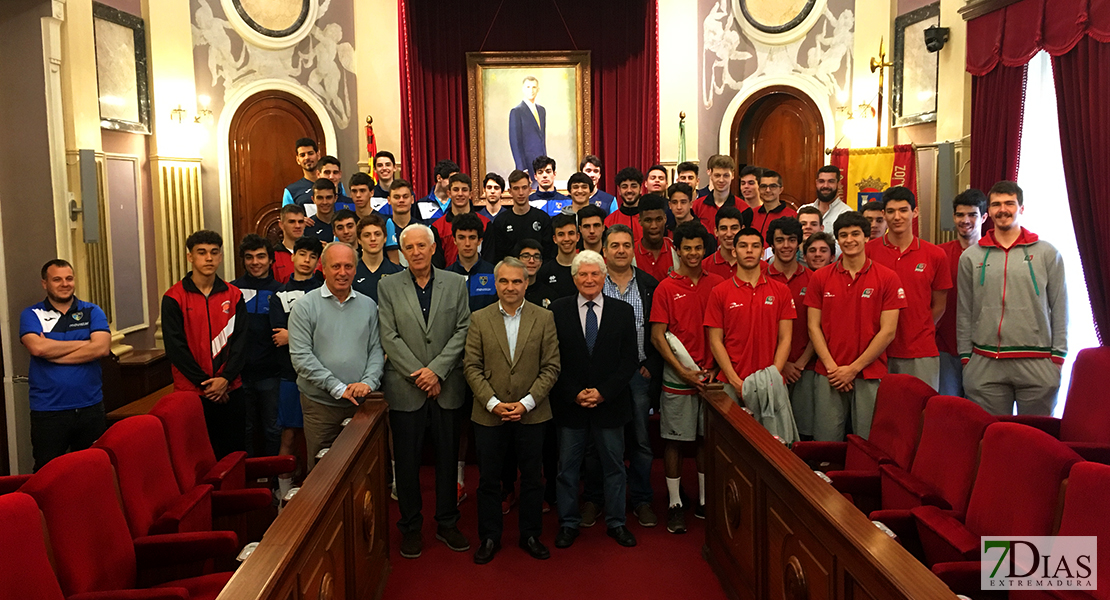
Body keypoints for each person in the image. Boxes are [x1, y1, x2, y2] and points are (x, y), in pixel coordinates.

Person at [378, 224, 473, 558]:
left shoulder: (455, 283)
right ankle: (411, 526)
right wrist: (420, 374)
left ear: (433, 249)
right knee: (406, 462)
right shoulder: (387, 286)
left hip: (446, 385)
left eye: (422, 246)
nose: (416, 252)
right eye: (409, 247)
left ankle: (447, 522)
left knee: (448, 458)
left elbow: (463, 328)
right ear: (402, 252)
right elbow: (388, 334)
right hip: (406, 387)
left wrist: (437, 371)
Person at [464, 257, 561, 564]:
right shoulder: (479, 319)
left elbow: (551, 366)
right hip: (488, 413)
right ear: (495, 283)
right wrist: (493, 403)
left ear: (526, 283)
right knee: (489, 480)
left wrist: (525, 403)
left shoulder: (544, 317)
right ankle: (490, 537)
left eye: (516, 281)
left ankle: (530, 534)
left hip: (532, 412)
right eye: (504, 281)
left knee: (533, 478)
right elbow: (471, 367)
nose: (510, 287)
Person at [549, 251, 639, 549]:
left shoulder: (622, 311)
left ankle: (616, 523)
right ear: (574, 278)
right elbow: (552, 360)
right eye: (583, 274)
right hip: (570, 404)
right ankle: (568, 524)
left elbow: (628, 362)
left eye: (595, 274)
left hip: (610, 404)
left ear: (604, 277)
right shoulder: (558, 311)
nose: (589, 279)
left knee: (614, 466)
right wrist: (574, 392)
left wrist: (603, 392)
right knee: (568, 469)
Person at [958, 181, 1067, 416]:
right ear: (989, 211)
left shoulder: (1047, 253)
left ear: (1022, 208)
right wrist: (967, 358)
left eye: (1009, 203)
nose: (1002, 209)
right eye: (996, 204)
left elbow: (1060, 308)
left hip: (1037, 362)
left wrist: (1057, 358)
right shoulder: (971, 256)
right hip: (985, 363)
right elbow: (964, 311)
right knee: (991, 438)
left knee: (1037, 441)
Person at [648, 221, 722, 533]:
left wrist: (716, 370)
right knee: (674, 440)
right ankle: (675, 503)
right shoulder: (666, 287)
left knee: (706, 439)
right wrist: (682, 371)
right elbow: (657, 336)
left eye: (698, 248)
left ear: (705, 250)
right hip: (678, 378)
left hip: (712, 377)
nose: (693, 253)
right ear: (677, 250)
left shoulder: (717, 284)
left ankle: (705, 500)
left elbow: (724, 333)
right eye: (686, 248)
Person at [805, 213, 905, 441]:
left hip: (869, 373)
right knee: (825, 442)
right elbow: (813, 327)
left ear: (866, 237)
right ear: (837, 241)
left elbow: (888, 331)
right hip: (828, 374)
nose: (849, 240)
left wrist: (853, 369)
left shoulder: (888, 278)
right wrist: (833, 368)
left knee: (868, 443)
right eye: (843, 235)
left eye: (855, 234)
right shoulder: (820, 278)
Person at [289, 243, 384, 471]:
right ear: (323, 268)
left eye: (348, 266)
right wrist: (337, 387)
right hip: (320, 406)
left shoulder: (369, 306)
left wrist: (368, 383)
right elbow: (301, 358)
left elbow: (377, 350)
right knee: (323, 474)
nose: (342, 272)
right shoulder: (304, 307)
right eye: (336, 266)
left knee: (364, 469)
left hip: (362, 403)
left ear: (355, 269)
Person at [162, 230, 248, 458]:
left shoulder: (235, 295)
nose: (209, 258)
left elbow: (240, 343)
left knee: (233, 456)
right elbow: (175, 348)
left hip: (231, 390)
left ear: (220, 256)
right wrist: (207, 385)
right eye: (202, 253)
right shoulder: (173, 297)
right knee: (196, 458)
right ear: (190, 257)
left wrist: (225, 379)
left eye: (214, 252)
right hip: (192, 393)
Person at [20, 259, 110, 471]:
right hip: (49, 411)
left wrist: (53, 350)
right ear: (45, 283)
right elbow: (38, 349)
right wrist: (85, 343)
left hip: (90, 407)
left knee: (94, 470)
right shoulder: (32, 314)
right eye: (57, 279)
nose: (64, 284)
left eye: (69, 278)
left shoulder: (92, 311)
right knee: (48, 474)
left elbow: (101, 349)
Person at [600, 224, 662, 530]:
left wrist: (651, 361)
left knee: (640, 441)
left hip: (639, 374)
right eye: (615, 245)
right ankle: (597, 499)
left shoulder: (650, 285)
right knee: (599, 440)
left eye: (626, 245)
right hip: (604, 377)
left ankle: (641, 499)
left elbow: (659, 330)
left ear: (633, 248)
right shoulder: (593, 283)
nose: (621, 250)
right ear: (605, 251)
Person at [866, 187, 952, 389]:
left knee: (920, 413)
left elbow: (939, 305)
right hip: (875, 351)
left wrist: (918, 329)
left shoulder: (935, 255)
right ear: (884, 214)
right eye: (891, 211)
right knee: (879, 414)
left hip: (920, 352)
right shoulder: (868, 252)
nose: (897, 217)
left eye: (903, 210)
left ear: (915, 212)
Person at [705, 228, 795, 412]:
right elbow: (715, 341)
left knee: (772, 439)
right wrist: (735, 381)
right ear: (733, 251)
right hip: (731, 383)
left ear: (762, 252)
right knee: (729, 440)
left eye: (755, 246)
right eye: (743, 246)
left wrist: (772, 377)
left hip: (771, 383)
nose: (749, 251)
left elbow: (785, 338)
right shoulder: (719, 292)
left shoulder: (781, 291)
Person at [270, 236, 325, 499]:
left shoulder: (325, 290)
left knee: (323, 437)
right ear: (292, 257)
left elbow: (328, 330)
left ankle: (320, 493)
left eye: (312, 256)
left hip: (324, 373)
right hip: (291, 374)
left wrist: (295, 334)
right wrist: (306, 334)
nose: (306, 260)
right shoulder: (278, 295)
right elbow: (278, 337)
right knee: (289, 436)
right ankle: (283, 495)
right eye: (302, 254)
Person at [764, 218, 817, 439]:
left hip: (806, 367)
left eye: (791, 240)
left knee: (804, 432)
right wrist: (782, 364)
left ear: (799, 243)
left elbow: (819, 327)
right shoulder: (761, 278)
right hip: (769, 368)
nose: (786, 245)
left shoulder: (814, 279)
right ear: (772, 245)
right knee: (772, 434)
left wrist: (801, 363)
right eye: (780, 240)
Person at [231, 234, 283, 457]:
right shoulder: (231, 291)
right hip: (239, 374)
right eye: (250, 257)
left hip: (271, 373)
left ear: (270, 260)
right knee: (244, 429)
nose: (255, 262)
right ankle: (249, 482)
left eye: (261, 257)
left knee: (273, 429)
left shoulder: (281, 291)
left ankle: (273, 481)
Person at [936, 189, 987, 396]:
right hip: (946, 347)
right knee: (947, 411)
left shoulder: (996, 254)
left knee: (980, 411)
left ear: (984, 217)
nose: (965, 220)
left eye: (972, 215)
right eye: (959, 215)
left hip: (984, 351)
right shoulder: (939, 254)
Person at [488, 170, 554, 263]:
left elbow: (548, 253)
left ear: (530, 190)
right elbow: (498, 256)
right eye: (516, 188)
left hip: (538, 272)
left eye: (524, 187)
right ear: (510, 191)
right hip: (510, 273)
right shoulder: (500, 221)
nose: (521, 193)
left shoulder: (543, 218)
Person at [432, 173, 490, 266]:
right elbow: (437, 264)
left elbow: (489, 260)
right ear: (449, 194)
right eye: (456, 190)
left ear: (471, 194)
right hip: (448, 278)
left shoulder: (486, 224)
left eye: (464, 190)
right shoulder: (437, 227)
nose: (460, 194)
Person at [447, 213, 498, 312]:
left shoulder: (493, 274)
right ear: (454, 240)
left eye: (472, 238)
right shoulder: (446, 276)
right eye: (461, 238)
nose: (467, 244)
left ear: (479, 241)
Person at [692, 155, 753, 235]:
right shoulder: (697, 206)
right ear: (711, 175)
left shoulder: (744, 209)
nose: (721, 180)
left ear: (733, 175)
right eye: (717, 175)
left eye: (726, 175)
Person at [530, 212, 580, 308]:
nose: (566, 239)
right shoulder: (544, 272)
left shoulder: (586, 268)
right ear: (554, 239)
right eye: (561, 234)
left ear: (578, 237)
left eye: (571, 233)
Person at [353, 213, 404, 303]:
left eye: (377, 234)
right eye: (367, 235)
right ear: (359, 240)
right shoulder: (350, 273)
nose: (373, 239)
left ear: (385, 238)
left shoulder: (398, 273)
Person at [634, 194, 677, 282]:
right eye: (648, 220)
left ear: (665, 219)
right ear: (640, 221)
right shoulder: (631, 253)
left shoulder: (676, 250)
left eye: (658, 220)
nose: (654, 226)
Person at [509, 76, 547, 174]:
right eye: (528, 87)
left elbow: (542, 139)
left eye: (534, 87)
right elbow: (515, 142)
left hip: (541, 165)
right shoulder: (517, 112)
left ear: (538, 90)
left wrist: (545, 163)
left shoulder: (541, 111)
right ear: (523, 89)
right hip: (527, 166)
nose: (531, 90)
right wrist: (522, 168)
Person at [751, 170, 798, 242]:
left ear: (781, 189)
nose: (768, 190)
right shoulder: (752, 213)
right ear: (759, 189)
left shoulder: (792, 215)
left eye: (773, 186)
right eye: (763, 186)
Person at [801, 165, 851, 231]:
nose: (825, 186)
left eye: (831, 181)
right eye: (821, 181)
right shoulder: (802, 210)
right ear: (816, 183)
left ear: (838, 184)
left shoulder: (846, 213)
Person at [702, 206, 745, 279]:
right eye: (723, 228)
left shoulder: (758, 266)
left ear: (742, 230)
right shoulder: (703, 267)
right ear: (716, 232)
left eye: (734, 228)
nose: (729, 234)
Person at [605, 167, 645, 241]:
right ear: (619, 190)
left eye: (633, 186)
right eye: (624, 186)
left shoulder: (649, 219)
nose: (629, 190)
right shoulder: (609, 221)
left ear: (641, 189)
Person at [273, 204, 308, 282]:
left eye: (301, 221)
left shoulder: (314, 254)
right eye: (292, 222)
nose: (297, 226)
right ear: (281, 225)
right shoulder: (273, 255)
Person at [282, 137, 319, 207]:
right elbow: (287, 217)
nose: (307, 158)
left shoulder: (336, 186)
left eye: (310, 153)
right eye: (302, 155)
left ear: (318, 155)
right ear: (298, 160)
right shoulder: (291, 191)